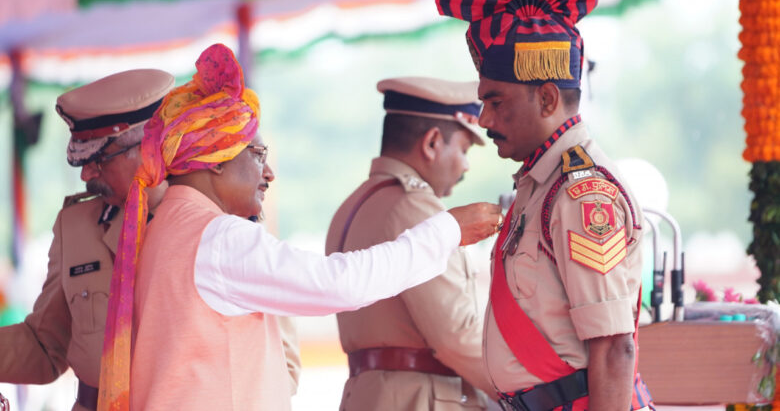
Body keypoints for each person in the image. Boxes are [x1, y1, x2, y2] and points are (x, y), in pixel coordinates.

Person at [94, 43, 502, 411]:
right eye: (257, 154)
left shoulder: (164, 227)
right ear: (215, 159)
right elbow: (339, 284)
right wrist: (446, 230)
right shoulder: (217, 239)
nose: (268, 172)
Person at [435, 0, 655, 410]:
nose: (484, 119)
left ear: (548, 99)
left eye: (496, 102)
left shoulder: (581, 193)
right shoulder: (539, 187)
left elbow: (615, 349)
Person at [0, 69, 301, 411]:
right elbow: (45, 346)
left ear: (150, 147)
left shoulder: (223, 227)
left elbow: (283, 365)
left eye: (99, 158)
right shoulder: (77, 226)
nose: (85, 174)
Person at [326, 76, 494, 410]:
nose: (465, 165)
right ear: (432, 142)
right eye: (462, 149)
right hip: (418, 399)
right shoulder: (415, 207)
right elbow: (456, 338)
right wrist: (535, 390)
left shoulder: (352, 205)